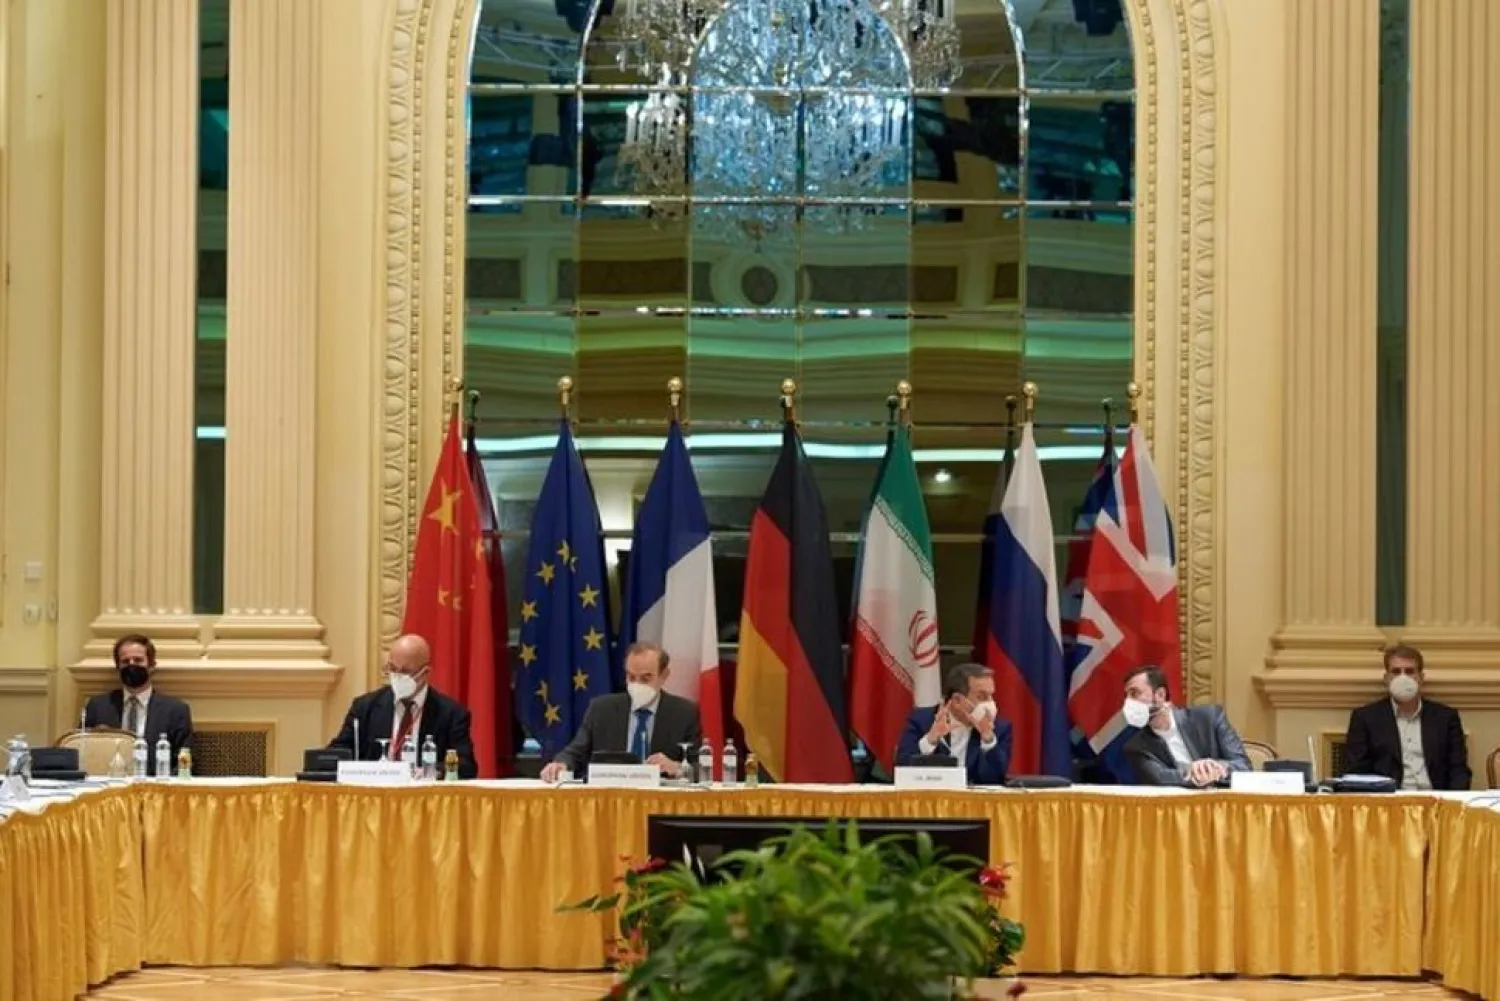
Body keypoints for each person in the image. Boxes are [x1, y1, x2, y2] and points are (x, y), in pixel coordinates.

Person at [540, 642, 701, 783]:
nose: (637, 684)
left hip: (660, 802)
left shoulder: (684, 713)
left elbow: (699, 769)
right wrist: (561, 764)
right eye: (631, 677)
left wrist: (677, 767)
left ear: (664, 676)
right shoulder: (601, 709)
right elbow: (575, 752)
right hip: (610, 798)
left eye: (645, 679)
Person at [327, 633, 478, 779]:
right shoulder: (365, 708)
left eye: (405, 671)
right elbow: (337, 753)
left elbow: (466, 766)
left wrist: (433, 771)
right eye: (392, 668)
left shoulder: (451, 714)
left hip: (423, 799)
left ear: (425, 674)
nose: (397, 676)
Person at [1342, 644, 1470, 790]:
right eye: (1396, 672)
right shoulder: (1365, 718)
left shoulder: (1446, 718)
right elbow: (1357, 774)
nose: (1403, 678)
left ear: (1421, 678)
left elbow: (1459, 771)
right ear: (1386, 678)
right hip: (1389, 803)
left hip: (1437, 800)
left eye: (1410, 671)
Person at [83, 633, 194, 776]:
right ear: (118, 668)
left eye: (138, 660)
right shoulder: (97, 707)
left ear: (152, 666)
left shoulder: (176, 710)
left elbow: (184, 762)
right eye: (125, 661)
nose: (131, 665)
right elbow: (82, 754)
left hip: (155, 789)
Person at [1121, 666, 1250, 787]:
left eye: (1134, 693)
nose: (1128, 702)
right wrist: (1199, 772)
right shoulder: (1136, 746)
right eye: (1126, 696)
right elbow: (1160, 778)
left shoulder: (1210, 717)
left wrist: (1214, 767)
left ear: (1160, 695)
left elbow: (1244, 767)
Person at [894, 663, 1012, 786]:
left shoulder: (999, 728)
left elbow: (994, 780)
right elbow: (903, 768)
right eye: (981, 697)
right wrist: (931, 740)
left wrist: (987, 738)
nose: (989, 704)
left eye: (991, 696)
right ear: (957, 700)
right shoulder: (923, 721)